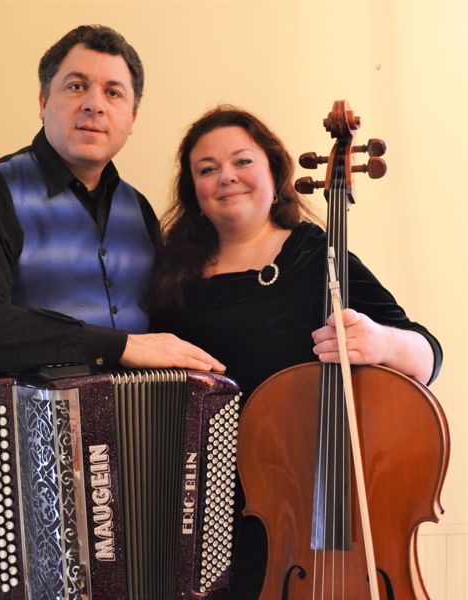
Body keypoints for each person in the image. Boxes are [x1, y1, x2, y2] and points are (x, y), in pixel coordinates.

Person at [149, 105, 442, 598]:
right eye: (207, 169)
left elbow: (427, 354)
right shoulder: (172, 277)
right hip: (197, 516)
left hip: (308, 509)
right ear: (193, 191)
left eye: (242, 161)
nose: (226, 177)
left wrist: (380, 340)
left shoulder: (312, 254)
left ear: (273, 171)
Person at [0, 24, 224, 376]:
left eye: (113, 93)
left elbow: (168, 321)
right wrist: (118, 346)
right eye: (76, 87)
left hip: (141, 427)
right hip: (31, 426)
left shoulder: (139, 210)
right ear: (43, 102)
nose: (94, 105)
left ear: (132, 118)